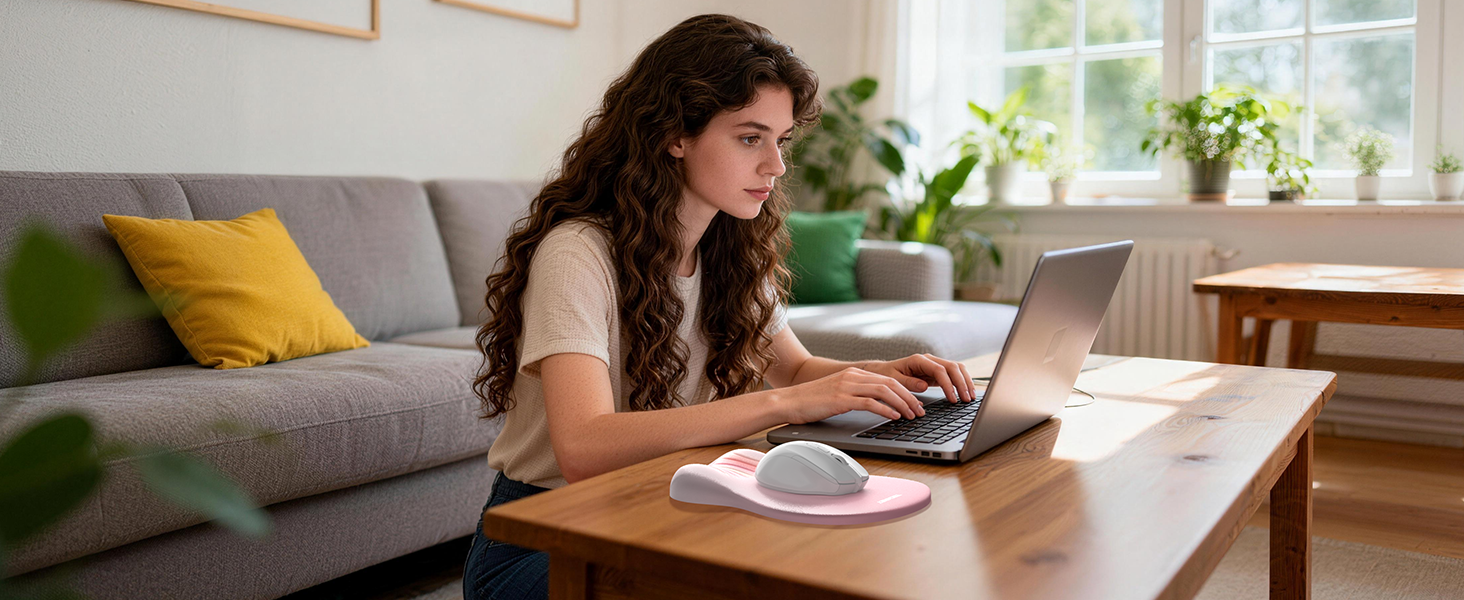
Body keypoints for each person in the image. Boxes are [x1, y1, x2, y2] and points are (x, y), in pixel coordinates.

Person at [463, 13, 978, 600]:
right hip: (551, 535)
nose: (776, 166)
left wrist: (878, 377)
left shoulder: (727, 248)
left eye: (780, 141)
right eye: (749, 137)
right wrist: (784, 402)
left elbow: (797, 370)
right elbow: (582, 448)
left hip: (667, 507)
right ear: (674, 134)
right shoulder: (578, 252)